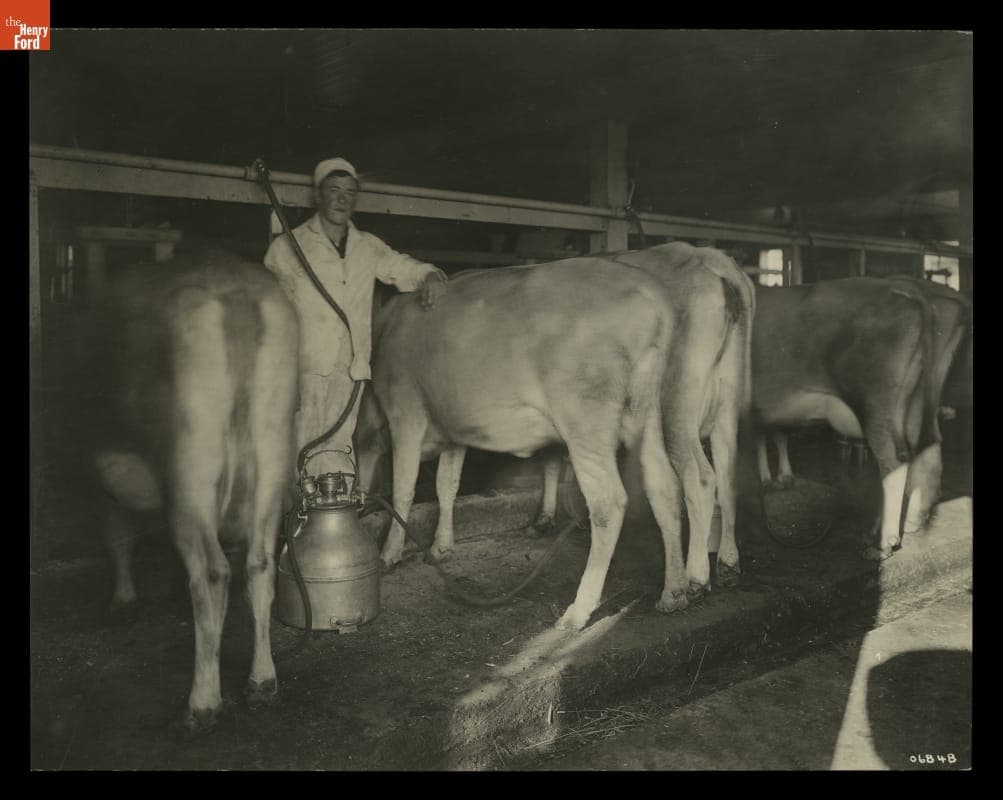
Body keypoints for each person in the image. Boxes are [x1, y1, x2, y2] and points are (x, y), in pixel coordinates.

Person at [264, 157, 448, 478]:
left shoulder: (368, 246)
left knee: (339, 447)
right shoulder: (288, 246)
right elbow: (271, 314)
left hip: (350, 369)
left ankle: (337, 524)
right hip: (305, 368)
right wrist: (280, 373)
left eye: (349, 192)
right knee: (300, 450)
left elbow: (403, 267)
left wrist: (430, 275)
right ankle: (301, 524)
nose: (341, 199)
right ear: (317, 196)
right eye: (333, 190)